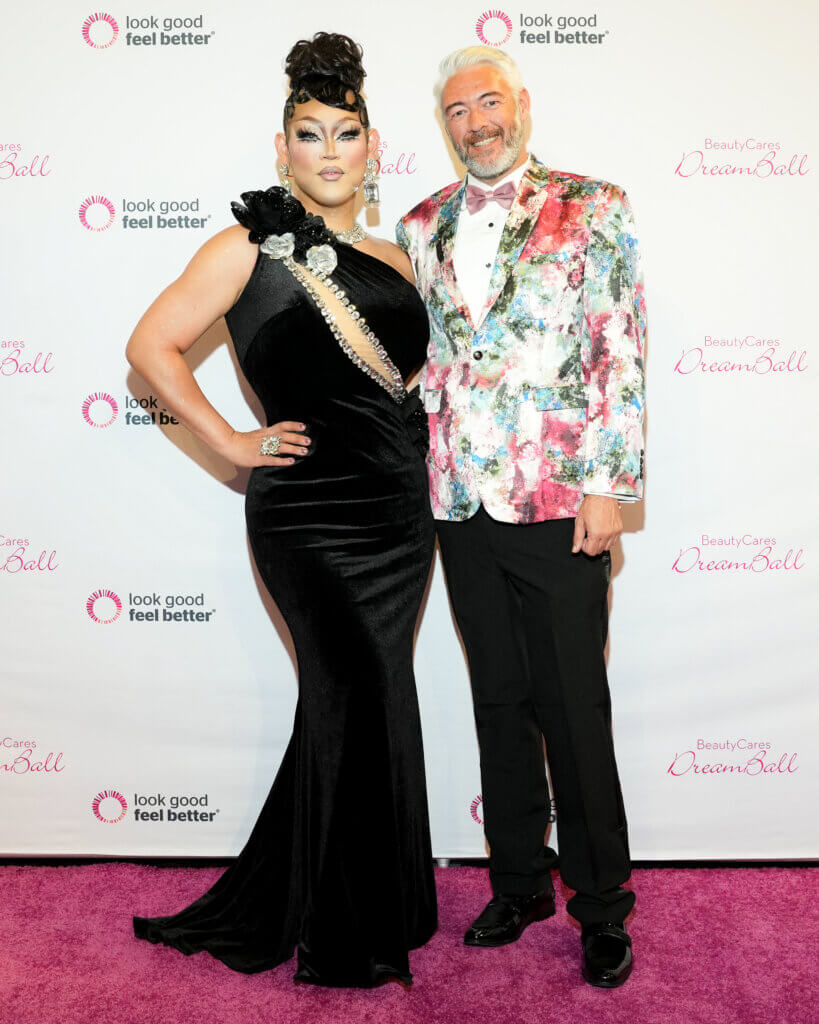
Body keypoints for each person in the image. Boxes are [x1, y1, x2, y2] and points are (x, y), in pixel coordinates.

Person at [128, 31, 437, 988]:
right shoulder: (244, 248)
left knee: (368, 696)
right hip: (308, 516)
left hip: (397, 510)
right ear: (282, 148)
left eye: (346, 133)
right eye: (310, 133)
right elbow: (149, 347)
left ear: (373, 147)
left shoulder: (397, 254)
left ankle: (370, 899)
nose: (329, 151)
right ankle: (346, 933)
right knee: (356, 688)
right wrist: (228, 441)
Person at [396, 46, 646, 988]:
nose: (476, 123)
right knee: (497, 700)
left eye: (488, 102)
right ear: (444, 125)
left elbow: (616, 346)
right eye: (457, 111)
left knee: (573, 708)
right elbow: (424, 360)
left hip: (559, 501)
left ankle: (602, 904)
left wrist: (607, 486)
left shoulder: (593, 204)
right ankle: (517, 883)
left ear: (521, 104)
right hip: (458, 500)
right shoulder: (419, 224)